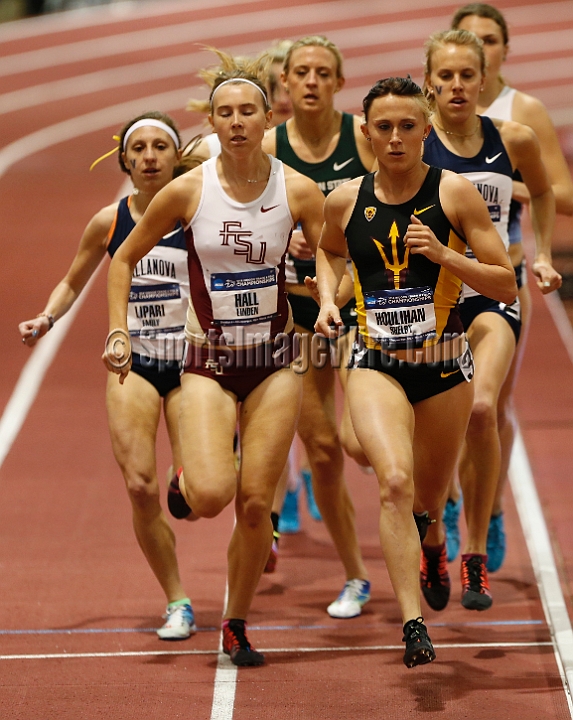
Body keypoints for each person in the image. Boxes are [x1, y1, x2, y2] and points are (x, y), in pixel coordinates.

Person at [103, 58, 325, 667]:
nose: (235, 122)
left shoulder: (298, 189)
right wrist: (120, 331)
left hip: (277, 362)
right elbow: (122, 259)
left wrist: (324, 292)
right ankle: (189, 478)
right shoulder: (187, 190)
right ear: (211, 123)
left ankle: (236, 620)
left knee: (256, 505)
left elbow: (328, 254)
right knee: (209, 494)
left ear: (269, 118)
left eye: (246, 111)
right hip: (207, 361)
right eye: (223, 113)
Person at [314, 75, 516, 665]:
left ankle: (434, 538)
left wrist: (447, 254)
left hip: (445, 367)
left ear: (426, 131)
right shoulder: (344, 199)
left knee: (427, 496)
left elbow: (504, 282)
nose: (396, 138)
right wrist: (329, 300)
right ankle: (412, 625)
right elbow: (329, 250)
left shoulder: (454, 194)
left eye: (408, 127)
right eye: (384, 127)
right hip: (374, 363)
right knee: (395, 483)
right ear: (367, 132)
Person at [19, 112, 197, 641]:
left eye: (159, 147)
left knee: (197, 491)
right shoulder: (109, 220)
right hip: (133, 362)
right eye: (137, 148)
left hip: (192, 364)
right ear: (124, 159)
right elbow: (72, 282)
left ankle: (192, 472)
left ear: (175, 154)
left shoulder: (199, 212)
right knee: (140, 486)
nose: (148, 157)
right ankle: (178, 601)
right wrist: (47, 318)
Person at [421, 29, 560, 611]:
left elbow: (547, 192)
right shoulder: (410, 138)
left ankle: (474, 551)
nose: (456, 85)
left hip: (492, 289)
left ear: (484, 80)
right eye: (445, 76)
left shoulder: (513, 137)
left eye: (466, 75)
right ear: (429, 81)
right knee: (429, 433)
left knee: (482, 408)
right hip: (422, 298)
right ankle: (435, 531)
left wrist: (545, 253)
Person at [447, 2, 573, 571]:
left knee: (492, 407)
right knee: (440, 408)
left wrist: (507, 190)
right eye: (468, 40)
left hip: (506, 272)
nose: (479, 49)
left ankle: (489, 510)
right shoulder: (427, 112)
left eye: (490, 40)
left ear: (503, 50)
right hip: (438, 284)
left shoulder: (523, 115)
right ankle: (447, 502)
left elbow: (560, 193)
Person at [262, 35, 376, 618]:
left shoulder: (364, 138)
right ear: (284, 84)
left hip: (359, 307)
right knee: (324, 450)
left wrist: (342, 279)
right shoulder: (265, 146)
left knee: (362, 444)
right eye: (300, 72)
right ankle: (357, 576)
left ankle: (434, 504)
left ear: (338, 81)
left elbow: (395, 209)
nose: (310, 81)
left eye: (322, 72)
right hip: (295, 312)